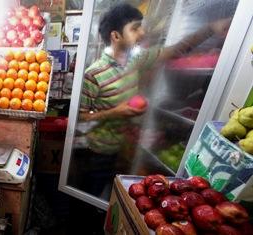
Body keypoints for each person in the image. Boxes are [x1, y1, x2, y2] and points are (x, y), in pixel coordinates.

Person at [71, 2, 231, 199]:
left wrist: (210, 28)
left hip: (125, 148)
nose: (142, 33)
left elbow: (176, 49)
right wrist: (115, 112)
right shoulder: (94, 73)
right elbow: (81, 116)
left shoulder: (136, 60)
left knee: (112, 196)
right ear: (116, 36)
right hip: (98, 151)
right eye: (135, 28)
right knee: (90, 195)